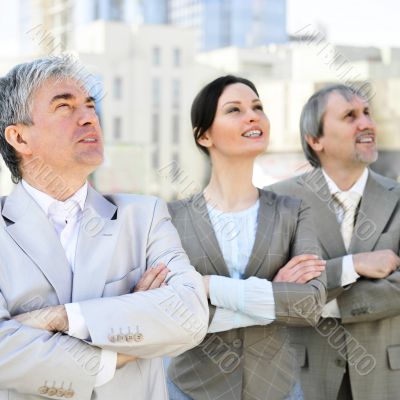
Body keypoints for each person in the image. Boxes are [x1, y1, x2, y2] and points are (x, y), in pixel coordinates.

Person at [0, 55, 208, 400]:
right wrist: (124, 341)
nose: (88, 118)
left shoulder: (145, 216)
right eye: (64, 107)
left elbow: (189, 315)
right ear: (20, 138)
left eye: (90, 105)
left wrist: (64, 317)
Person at [164, 75, 327, 400]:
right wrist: (273, 294)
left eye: (258, 107)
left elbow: (309, 305)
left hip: (278, 389)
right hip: (192, 390)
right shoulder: (170, 218)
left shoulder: (294, 212)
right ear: (204, 134)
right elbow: (169, 312)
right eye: (234, 109)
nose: (252, 116)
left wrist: (209, 287)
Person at [269, 84, 400, 400]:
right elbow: (271, 289)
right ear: (315, 140)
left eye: (367, 113)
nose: (366, 123)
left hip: (385, 379)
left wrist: (318, 302)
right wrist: (351, 266)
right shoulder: (278, 201)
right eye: (350, 115)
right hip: (303, 377)